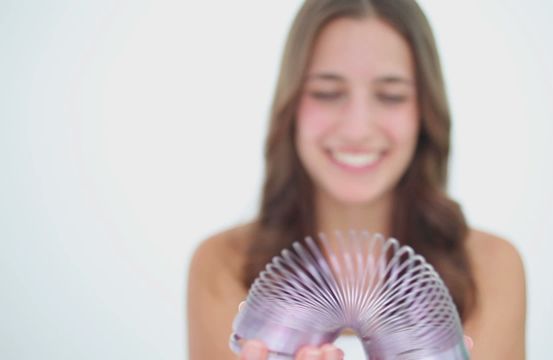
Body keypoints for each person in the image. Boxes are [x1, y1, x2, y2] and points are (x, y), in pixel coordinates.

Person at [187, 0, 526, 359]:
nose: (357, 128)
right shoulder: (224, 265)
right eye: (327, 92)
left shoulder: (490, 270)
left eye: (391, 95)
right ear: (291, 106)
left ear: (424, 111)